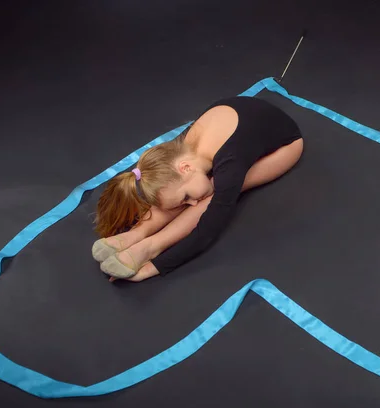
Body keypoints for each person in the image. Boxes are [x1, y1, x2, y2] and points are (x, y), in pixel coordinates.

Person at [92, 96, 303, 282]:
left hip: (286, 144)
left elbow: (207, 229)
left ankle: (150, 246)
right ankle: (137, 234)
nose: (191, 204)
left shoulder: (230, 166)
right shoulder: (177, 155)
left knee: (211, 193)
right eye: (186, 201)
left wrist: (155, 266)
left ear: (185, 168)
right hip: (238, 115)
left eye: (187, 199)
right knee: (175, 192)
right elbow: (168, 187)